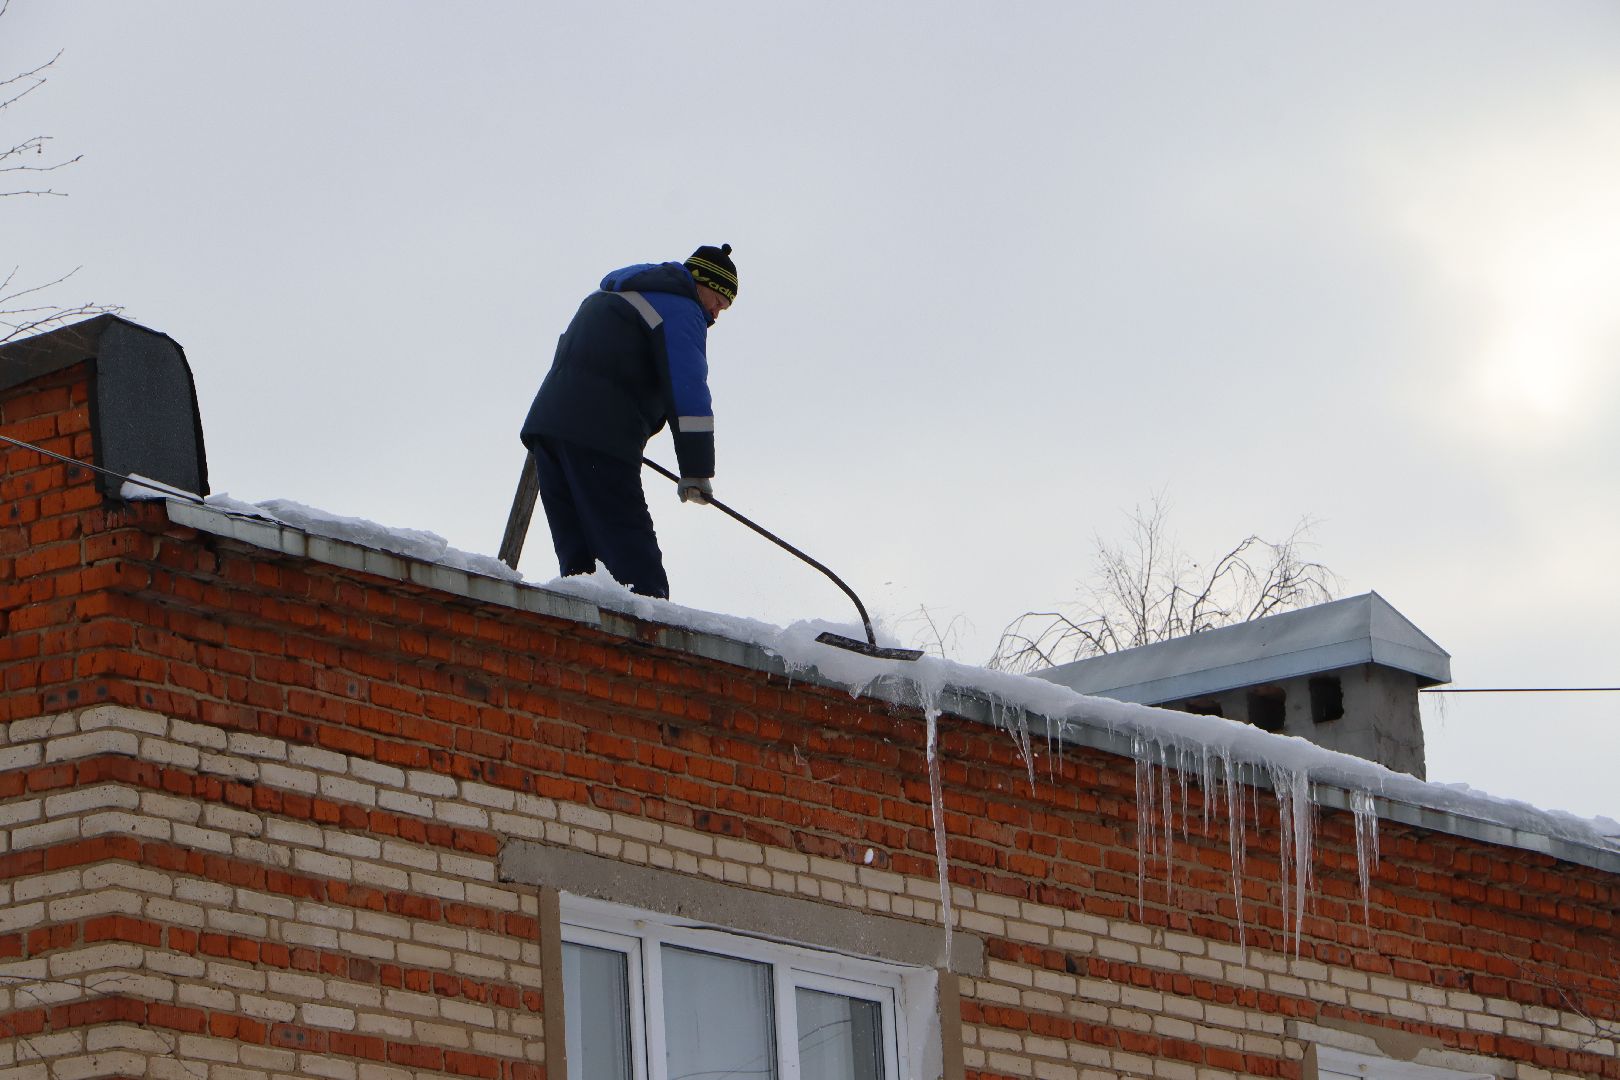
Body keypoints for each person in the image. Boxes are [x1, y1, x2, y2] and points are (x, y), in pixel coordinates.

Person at [519, 243, 738, 599]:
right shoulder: (681, 307)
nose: (716, 312)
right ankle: (653, 646)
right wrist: (697, 470)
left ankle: (582, 647)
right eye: (719, 300)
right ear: (701, 283)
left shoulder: (610, 295)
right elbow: (687, 387)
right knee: (635, 569)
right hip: (599, 433)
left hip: (549, 431)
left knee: (582, 570)